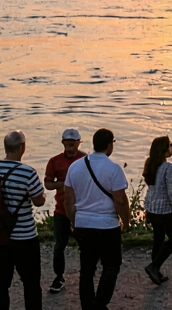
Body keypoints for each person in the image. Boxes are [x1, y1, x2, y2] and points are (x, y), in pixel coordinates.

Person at [64, 127, 132, 310]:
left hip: (83, 224)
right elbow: (120, 200)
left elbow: (68, 199)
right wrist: (126, 222)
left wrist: (73, 220)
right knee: (111, 265)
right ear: (109, 145)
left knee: (87, 269)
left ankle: (88, 305)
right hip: (107, 225)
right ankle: (100, 303)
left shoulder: (75, 167)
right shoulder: (114, 169)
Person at [0, 131, 47, 310]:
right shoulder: (28, 172)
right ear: (22, 148)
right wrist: (42, 196)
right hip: (25, 236)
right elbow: (38, 201)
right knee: (31, 281)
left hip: (0, 234)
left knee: (2, 278)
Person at [43, 128, 86, 293]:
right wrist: (61, 185)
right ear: (62, 143)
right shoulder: (54, 161)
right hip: (61, 210)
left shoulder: (85, 160)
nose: (69, 148)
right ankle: (58, 276)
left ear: (78, 143)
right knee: (59, 245)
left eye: (72, 145)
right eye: (67, 145)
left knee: (85, 244)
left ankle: (86, 273)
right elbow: (47, 184)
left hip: (81, 210)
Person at [142, 136, 172, 284]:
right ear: (164, 149)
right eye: (170, 145)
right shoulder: (169, 168)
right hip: (165, 210)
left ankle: (156, 271)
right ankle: (154, 266)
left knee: (159, 238)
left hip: (151, 207)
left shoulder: (150, 164)